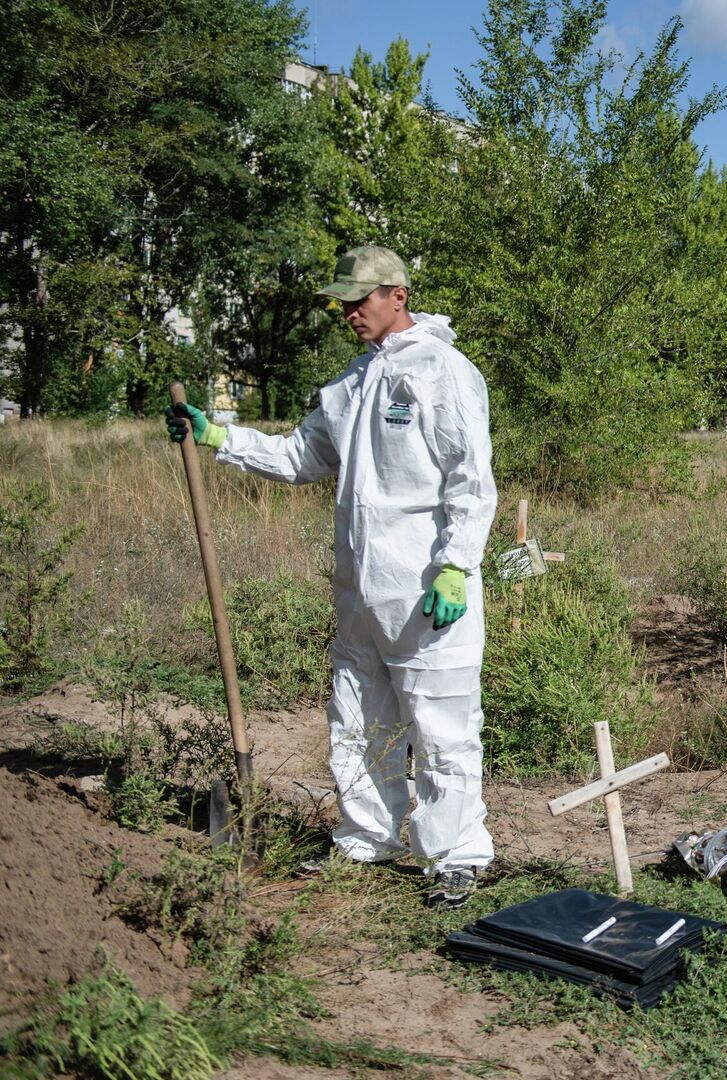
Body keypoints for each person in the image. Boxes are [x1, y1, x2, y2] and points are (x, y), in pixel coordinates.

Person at [167, 245, 498, 908]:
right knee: (358, 721)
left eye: (361, 299)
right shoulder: (351, 384)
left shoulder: (443, 372)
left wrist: (458, 565)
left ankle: (456, 855)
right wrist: (220, 439)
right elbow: (299, 456)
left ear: (397, 294)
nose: (349, 311)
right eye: (344, 301)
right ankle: (366, 838)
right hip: (360, 594)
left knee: (441, 728)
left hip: (431, 594)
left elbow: (471, 479)